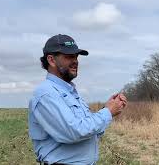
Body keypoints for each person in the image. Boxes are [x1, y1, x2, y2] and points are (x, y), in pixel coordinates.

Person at [28, 34, 127, 165]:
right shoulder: (46, 94)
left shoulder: (71, 93)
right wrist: (107, 112)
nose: (75, 61)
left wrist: (109, 109)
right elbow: (74, 132)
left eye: (76, 56)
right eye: (69, 56)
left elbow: (88, 132)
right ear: (51, 60)